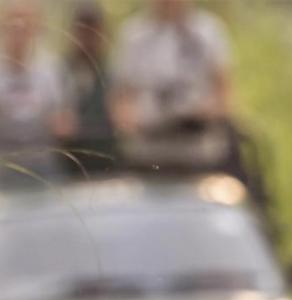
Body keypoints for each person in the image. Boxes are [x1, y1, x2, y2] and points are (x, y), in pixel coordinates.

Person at [0, 0, 73, 186]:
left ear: (37, 26)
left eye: (26, 21)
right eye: (13, 20)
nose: (19, 27)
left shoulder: (52, 69)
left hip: (42, 161)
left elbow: (65, 120)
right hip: (0, 162)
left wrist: (59, 125)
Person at [110, 0, 233, 135]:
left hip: (200, 139)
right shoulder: (133, 33)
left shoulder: (209, 30)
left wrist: (209, 110)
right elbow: (121, 96)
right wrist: (128, 119)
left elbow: (224, 90)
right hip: (147, 140)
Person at [64, 1, 117, 173]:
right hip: (71, 166)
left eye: (92, 30)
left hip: (108, 162)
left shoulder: (112, 72)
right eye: (82, 31)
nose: (87, 37)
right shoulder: (59, 73)